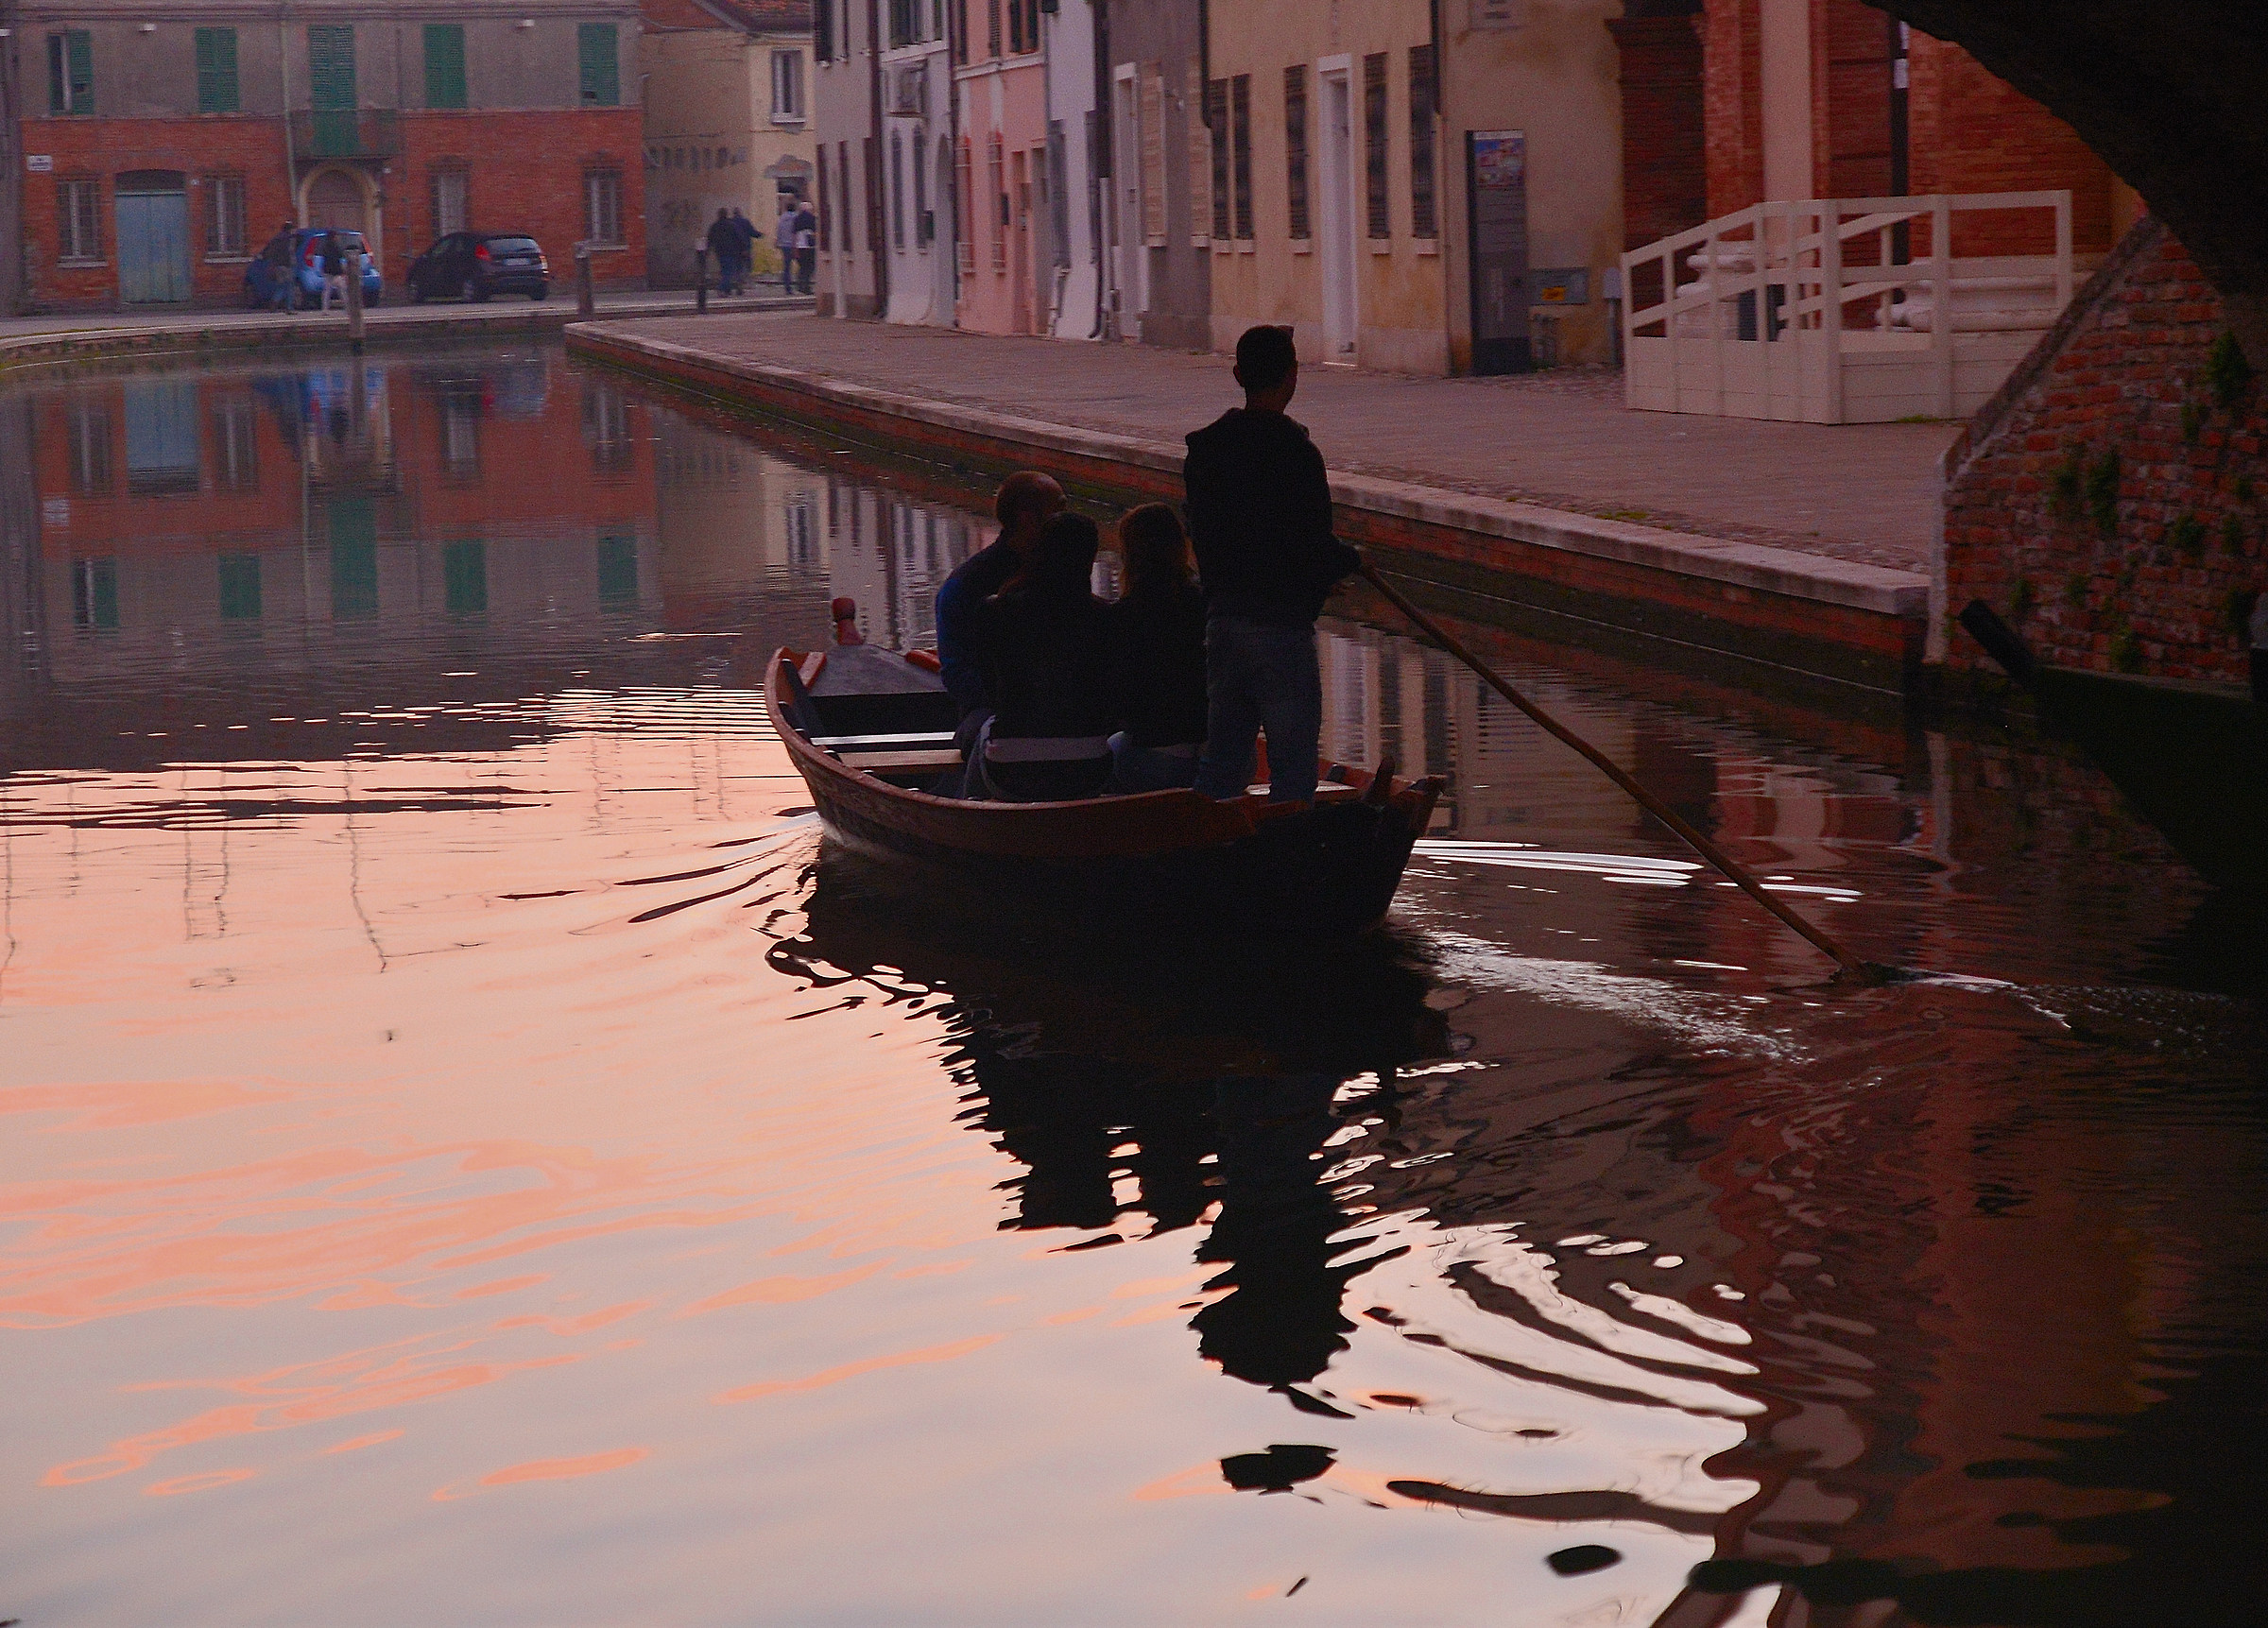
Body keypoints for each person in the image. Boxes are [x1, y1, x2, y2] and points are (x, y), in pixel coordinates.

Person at [1185, 324, 1360, 805]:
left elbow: (1211, 533)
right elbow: (1310, 541)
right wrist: (1346, 563)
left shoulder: (1204, 451)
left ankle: (1206, 853)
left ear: (1238, 374)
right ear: (1293, 377)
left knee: (1222, 763)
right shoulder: (1297, 452)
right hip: (1280, 629)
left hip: (1222, 624)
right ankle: (1288, 862)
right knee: (1292, 767)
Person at [970, 512, 1118, 802]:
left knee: (985, 730)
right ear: (1090, 559)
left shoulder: (996, 611)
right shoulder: (1107, 617)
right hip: (1089, 769)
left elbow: (990, 691)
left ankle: (965, 817)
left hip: (1010, 771)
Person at [936, 471, 1066, 723]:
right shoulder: (965, 585)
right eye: (1059, 510)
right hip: (995, 714)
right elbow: (958, 675)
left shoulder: (962, 584)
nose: (1065, 519)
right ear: (1028, 519)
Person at [1105, 504, 1209, 793]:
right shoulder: (1207, 603)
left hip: (1158, 760)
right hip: (1222, 757)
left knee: (1107, 752)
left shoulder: (1124, 615)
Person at [706, 208, 742, 296]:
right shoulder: (732, 225)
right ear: (726, 214)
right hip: (731, 251)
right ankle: (721, 288)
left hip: (719, 251)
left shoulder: (715, 226)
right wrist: (743, 249)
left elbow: (710, 239)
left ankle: (727, 290)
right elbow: (739, 237)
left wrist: (707, 250)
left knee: (724, 270)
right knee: (729, 271)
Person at [730, 207, 762, 292]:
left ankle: (736, 282)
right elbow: (752, 232)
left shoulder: (731, 222)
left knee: (736, 266)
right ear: (740, 213)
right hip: (745, 248)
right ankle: (741, 282)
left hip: (733, 248)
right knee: (746, 266)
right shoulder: (745, 222)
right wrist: (760, 235)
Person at [791, 201, 818, 296]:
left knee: (802, 267)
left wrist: (794, 249)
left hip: (799, 246)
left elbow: (794, 235)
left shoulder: (796, 219)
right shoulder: (813, 219)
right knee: (810, 267)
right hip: (810, 247)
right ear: (808, 209)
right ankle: (805, 286)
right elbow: (816, 232)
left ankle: (800, 285)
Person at [318, 231, 350, 311]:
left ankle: (325, 309)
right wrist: (342, 271)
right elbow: (339, 256)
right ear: (334, 237)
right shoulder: (336, 246)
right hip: (336, 271)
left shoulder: (324, 246)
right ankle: (347, 308)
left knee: (327, 290)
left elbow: (324, 257)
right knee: (342, 290)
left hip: (327, 270)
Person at [775, 197, 800, 287]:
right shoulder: (797, 217)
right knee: (801, 264)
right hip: (796, 244)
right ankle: (800, 282)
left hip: (784, 244)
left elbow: (779, 231)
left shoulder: (782, 218)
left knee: (787, 266)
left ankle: (787, 286)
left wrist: (778, 242)